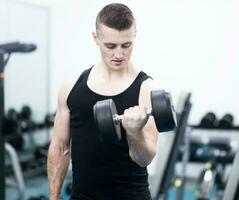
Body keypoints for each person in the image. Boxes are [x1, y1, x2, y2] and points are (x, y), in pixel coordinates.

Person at [47, 3, 159, 200]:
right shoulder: (71, 88)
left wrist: (134, 132)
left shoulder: (147, 90)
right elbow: (60, 147)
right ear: (96, 38)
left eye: (126, 45)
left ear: (134, 37)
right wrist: (54, 197)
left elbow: (144, 159)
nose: (119, 54)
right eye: (110, 46)